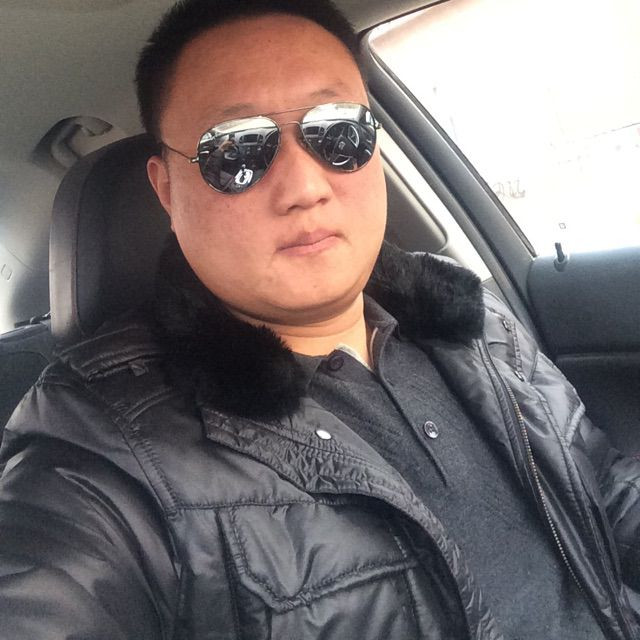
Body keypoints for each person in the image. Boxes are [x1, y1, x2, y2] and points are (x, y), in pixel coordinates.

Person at [0, 1, 638, 638]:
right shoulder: (98, 442)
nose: (305, 187)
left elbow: (604, 493)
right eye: (236, 150)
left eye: (338, 131)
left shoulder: (469, 317)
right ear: (167, 189)